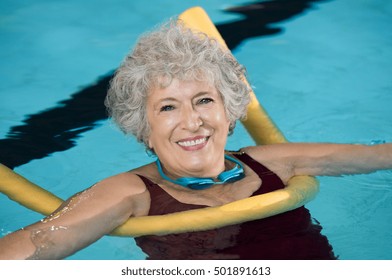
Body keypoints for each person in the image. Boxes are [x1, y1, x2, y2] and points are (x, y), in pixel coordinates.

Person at [0, 19, 391, 260]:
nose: (192, 121)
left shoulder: (274, 162)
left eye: (204, 100)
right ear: (144, 128)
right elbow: (38, 243)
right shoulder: (130, 192)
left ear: (229, 111)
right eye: (168, 108)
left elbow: (377, 156)